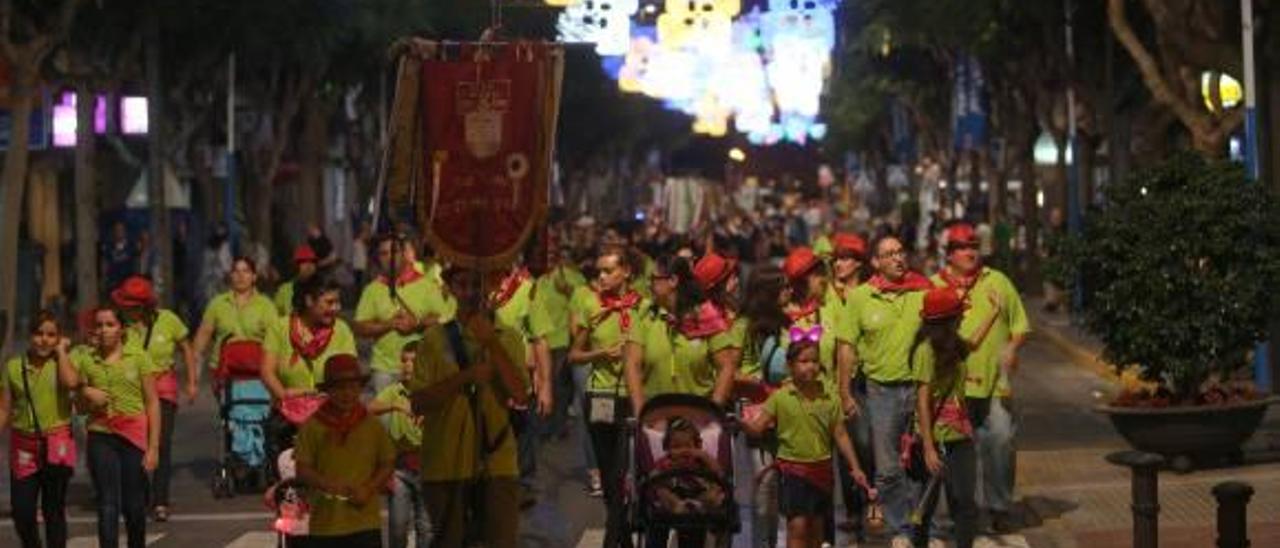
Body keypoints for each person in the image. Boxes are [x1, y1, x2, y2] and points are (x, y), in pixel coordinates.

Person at [408, 265, 529, 548]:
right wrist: (464, 378)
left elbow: (520, 395)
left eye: (477, 284)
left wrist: (491, 342)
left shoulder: (509, 337)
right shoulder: (433, 339)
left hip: (496, 462)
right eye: (462, 285)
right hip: (445, 462)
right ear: (450, 288)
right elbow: (419, 402)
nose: (471, 293)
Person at [931, 223, 1030, 533]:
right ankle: (959, 511)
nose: (970, 252)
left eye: (973, 246)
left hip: (994, 384)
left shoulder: (998, 281)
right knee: (954, 453)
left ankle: (999, 507)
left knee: (1000, 441)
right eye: (962, 247)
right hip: (951, 389)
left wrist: (1012, 348)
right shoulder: (933, 286)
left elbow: (1020, 325)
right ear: (949, 254)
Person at [846, 235, 933, 548]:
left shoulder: (923, 289)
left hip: (920, 388)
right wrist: (845, 392)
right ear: (876, 262)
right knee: (887, 468)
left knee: (923, 462)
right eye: (889, 254)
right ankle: (901, 529)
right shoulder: (860, 297)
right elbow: (847, 346)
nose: (898, 258)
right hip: (880, 390)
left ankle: (923, 525)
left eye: (900, 251)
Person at [743, 339, 869, 548]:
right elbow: (758, 428)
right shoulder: (780, 398)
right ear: (790, 366)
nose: (810, 366)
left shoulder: (829, 397)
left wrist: (855, 468)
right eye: (803, 361)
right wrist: (741, 424)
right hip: (794, 472)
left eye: (814, 361)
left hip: (822, 471)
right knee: (798, 527)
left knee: (817, 528)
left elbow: (840, 434)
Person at [58, 306, 162, 548]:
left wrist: (153, 447)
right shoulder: (87, 358)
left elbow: (153, 403)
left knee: (134, 505)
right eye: (99, 325)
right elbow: (69, 386)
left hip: (133, 437)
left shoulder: (138, 358)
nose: (104, 330)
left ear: (121, 329)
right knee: (107, 503)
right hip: (100, 434)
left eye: (110, 325)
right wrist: (85, 390)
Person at [911, 287, 1003, 548]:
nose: (962, 318)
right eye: (958, 315)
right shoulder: (925, 351)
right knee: (925, 506)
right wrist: (928, 448)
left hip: (960, 434)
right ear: (946, 321)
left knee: (965, 503)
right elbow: (922, 400)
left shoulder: (952, 345)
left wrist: (994, 313)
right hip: (935, 439)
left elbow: (972, 344)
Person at [568, 247, 646, 546]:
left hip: (632, 397)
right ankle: (620, 536)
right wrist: (601, 353)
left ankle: (613, 537)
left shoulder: (643, 307)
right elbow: (574, 356)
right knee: (609, 476)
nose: (601, 277)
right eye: (598, 271)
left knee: (627, 471)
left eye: (608, 270)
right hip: (600, 396)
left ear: (626, 272)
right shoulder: (592, 306)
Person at [111, 275, 198, 522]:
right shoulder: (119, 325)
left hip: (162, 387)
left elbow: (186, 347)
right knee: (134, 443)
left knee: (160, 442)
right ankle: (138, 493)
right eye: (125, 306)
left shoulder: (168, 320)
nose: (128, 311)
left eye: (133, 307)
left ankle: (160, 500)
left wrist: (191, 381)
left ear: (146, 305)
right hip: (131, 388)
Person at [293, 354, 396, 548]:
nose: (347, 394)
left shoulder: (372, 425)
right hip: (325, 524)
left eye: (352, 388)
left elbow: (387, 462)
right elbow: (302, 469)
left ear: (360, 389)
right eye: (339, 388)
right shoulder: (313, 426)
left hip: (365, 523)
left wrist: (369, 488)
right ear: (328, 391)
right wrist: (326, 484)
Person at [1, 312, 77, 548]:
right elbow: (4, 408)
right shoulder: (13, 366)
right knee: (22, 512)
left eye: (51, 335)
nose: (44, 340)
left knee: (53, 510)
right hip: (23, 446)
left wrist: (62, 352)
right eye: (38, 333)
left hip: (57, 443)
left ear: (58, 338)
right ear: (30, 336)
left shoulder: (62, 363)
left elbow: (71, 383)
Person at [353, 234, 450, 394]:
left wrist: (417, 323)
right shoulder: (372, 289)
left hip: (420, 368)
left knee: (417, 418)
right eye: (383, 253)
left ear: (404, 253)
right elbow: (359, 328)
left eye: (393, 251)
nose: (388, 257)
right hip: (384, 370)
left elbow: (444, 318)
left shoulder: (426, 285)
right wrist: (389, 324)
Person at [371, 342, 431, 548]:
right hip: (400, 469)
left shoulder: (434, 391)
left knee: (426, 527)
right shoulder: (394, 391)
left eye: (413, 361)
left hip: (428, 467)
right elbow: (370, 407)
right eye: (404, 360)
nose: (407, 366)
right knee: (397, 525)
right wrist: (395, 405)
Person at [645, 416, 726, 548]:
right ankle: (678, 505)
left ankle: (697, 505)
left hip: (698, 500)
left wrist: (705, 457)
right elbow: (653, 476)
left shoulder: (701, 462)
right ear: (667, 448)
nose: (683, 450)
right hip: (673, 502)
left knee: (715, 489)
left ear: (697, 446)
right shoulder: (667, 462)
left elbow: (719, 473)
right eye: (676, 447)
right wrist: (664, 472)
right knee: (660, 490)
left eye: (688, 446)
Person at [276, 245, 321, 316]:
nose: (309, 265)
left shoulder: (323, 288)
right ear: (296, 266)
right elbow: (277, 316)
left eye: (312, 261)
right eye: (303, 262)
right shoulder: (284, 290)